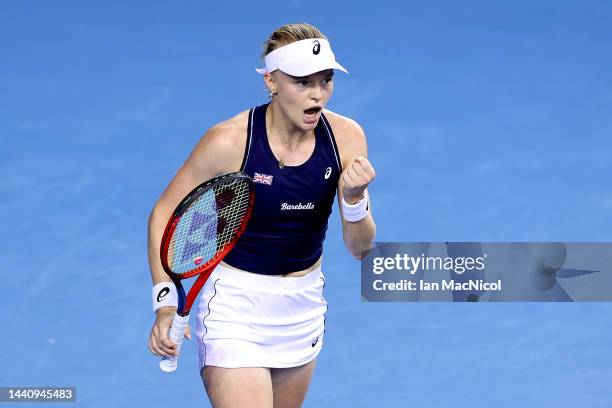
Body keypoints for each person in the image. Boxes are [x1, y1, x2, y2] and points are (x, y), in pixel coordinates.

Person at [147, 22, 376, 408]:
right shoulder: (230, 141)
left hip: (302, 305)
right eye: (302, 82)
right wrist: (165, 301)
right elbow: (164, 214)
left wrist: (355, 199)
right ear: (271, 81)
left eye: (325, 80)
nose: (318, 94)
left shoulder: (346, 138)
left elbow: (360, 248)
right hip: (235, 305)